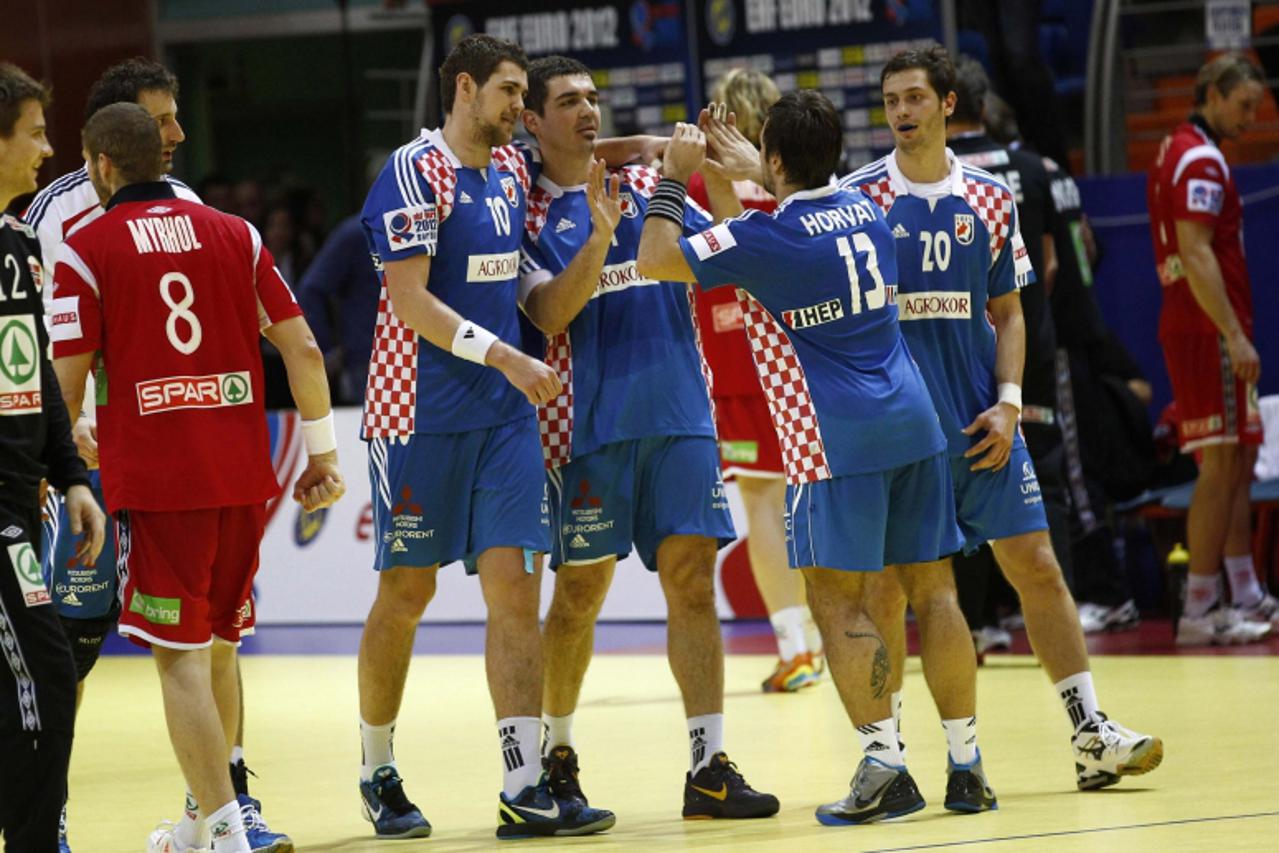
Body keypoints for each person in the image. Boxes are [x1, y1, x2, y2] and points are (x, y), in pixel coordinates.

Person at [639, 89, 995, 824]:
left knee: (836, 600)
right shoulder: (868, 208)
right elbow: (790, 217)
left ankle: (884, 765)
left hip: (834, 439)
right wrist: (759, 172)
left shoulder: (766, 238)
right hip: (914, 423)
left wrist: (673, 177)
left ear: (773, 158)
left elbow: (655, 258)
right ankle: (967, 767)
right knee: (935, 594)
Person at [841, 45, 1162, 791]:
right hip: (900, 433)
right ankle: (888, 755)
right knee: (890, 591)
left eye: (914, 97)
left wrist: (1010, 401)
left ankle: (1089, 732)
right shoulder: (859, 196)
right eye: (890, 101)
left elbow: (1010, 312)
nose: (901, 112)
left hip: (982, 424)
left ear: (947, 103)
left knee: (1038, 565)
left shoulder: (988, 197)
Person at [48, 103, 341, 852]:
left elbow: (65, 385)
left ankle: (226, 832)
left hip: (159, 483)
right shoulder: (236, 234)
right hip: (242, 477)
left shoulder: (85, 249)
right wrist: (323, 453)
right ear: (161, 157)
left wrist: (63, 454)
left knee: (177, 658)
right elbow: (304, 348)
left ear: (101, 165)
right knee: (218, 646)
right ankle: (197, 822)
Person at [353, 35, 615, 840]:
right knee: (408, 594)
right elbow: (409, 301)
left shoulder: (507, 169)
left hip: (503, 418)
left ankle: (522, 781)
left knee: (515, 592)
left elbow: (536, 268)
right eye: (508, 92)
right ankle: (376, 766)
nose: (518, 108)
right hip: (419, 414)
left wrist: (660, 163)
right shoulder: (412, 171)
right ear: (464, 88)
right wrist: (504, 355)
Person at [22, 56, 281, 851]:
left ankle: (222, 805)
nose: (176, 133)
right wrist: (56, 451)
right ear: (116, 132)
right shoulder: (51, 215)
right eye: (160, 118)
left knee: (212, 637)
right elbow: (43, 344)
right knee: (71, 642)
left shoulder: (188, 203)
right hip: (86, 459)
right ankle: (49, 813)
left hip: (171, 457)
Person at [516, 56, 777, 820]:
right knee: (579, 594)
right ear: (532, 120)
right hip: (588, 428)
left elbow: (727, 251)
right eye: (568, 101)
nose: (587, 111)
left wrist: (709, 173)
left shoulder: (645, 187)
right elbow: (549, 313)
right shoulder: (524, 213)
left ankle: (707, 764)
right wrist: (600, 239)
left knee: (692, 582)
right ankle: (557, 755)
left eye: (592, 98)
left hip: (680, 414)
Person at [687, 68, 824, 694]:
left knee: (764, 504)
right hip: (799, 357)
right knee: (809, 500)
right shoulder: (793, 182)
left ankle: (796, 648)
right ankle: (825, 635)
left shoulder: (700, 179)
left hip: (737, 365)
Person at [0, 60, 105, 853]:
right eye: (35, 134)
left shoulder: (20, 242)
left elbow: (33, 373)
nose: (46, 149)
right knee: (46, 675)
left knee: (34, 684)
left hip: (22, 499)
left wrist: (70, 475)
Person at [944, 55, 1077, 647]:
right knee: (1044, 478)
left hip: (954, 364)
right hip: (1026, 354)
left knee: (959, 488)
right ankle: (1059, 607)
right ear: (986, 106)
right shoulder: (1029, 169)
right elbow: (1051, 263)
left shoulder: (919, 184)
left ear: (946, 105)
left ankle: (977, 625)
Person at [1147, 53, 1276, 645]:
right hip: (1206, 327)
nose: (1251, 119)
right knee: (1220, 463)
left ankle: (1244, 591)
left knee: (1239, 459)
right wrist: (1233, 333)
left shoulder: (1180, 148)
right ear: (1214, 94)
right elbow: (1195, 252)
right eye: (1244, 106)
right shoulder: (1198, 157)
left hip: (1209, 323)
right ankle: (1199, 607)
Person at [295, 212, 379, 404]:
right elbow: (310, 290)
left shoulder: (421, 227)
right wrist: (326, 349)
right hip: (367, 361)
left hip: (417, 357)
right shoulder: (358, 233)